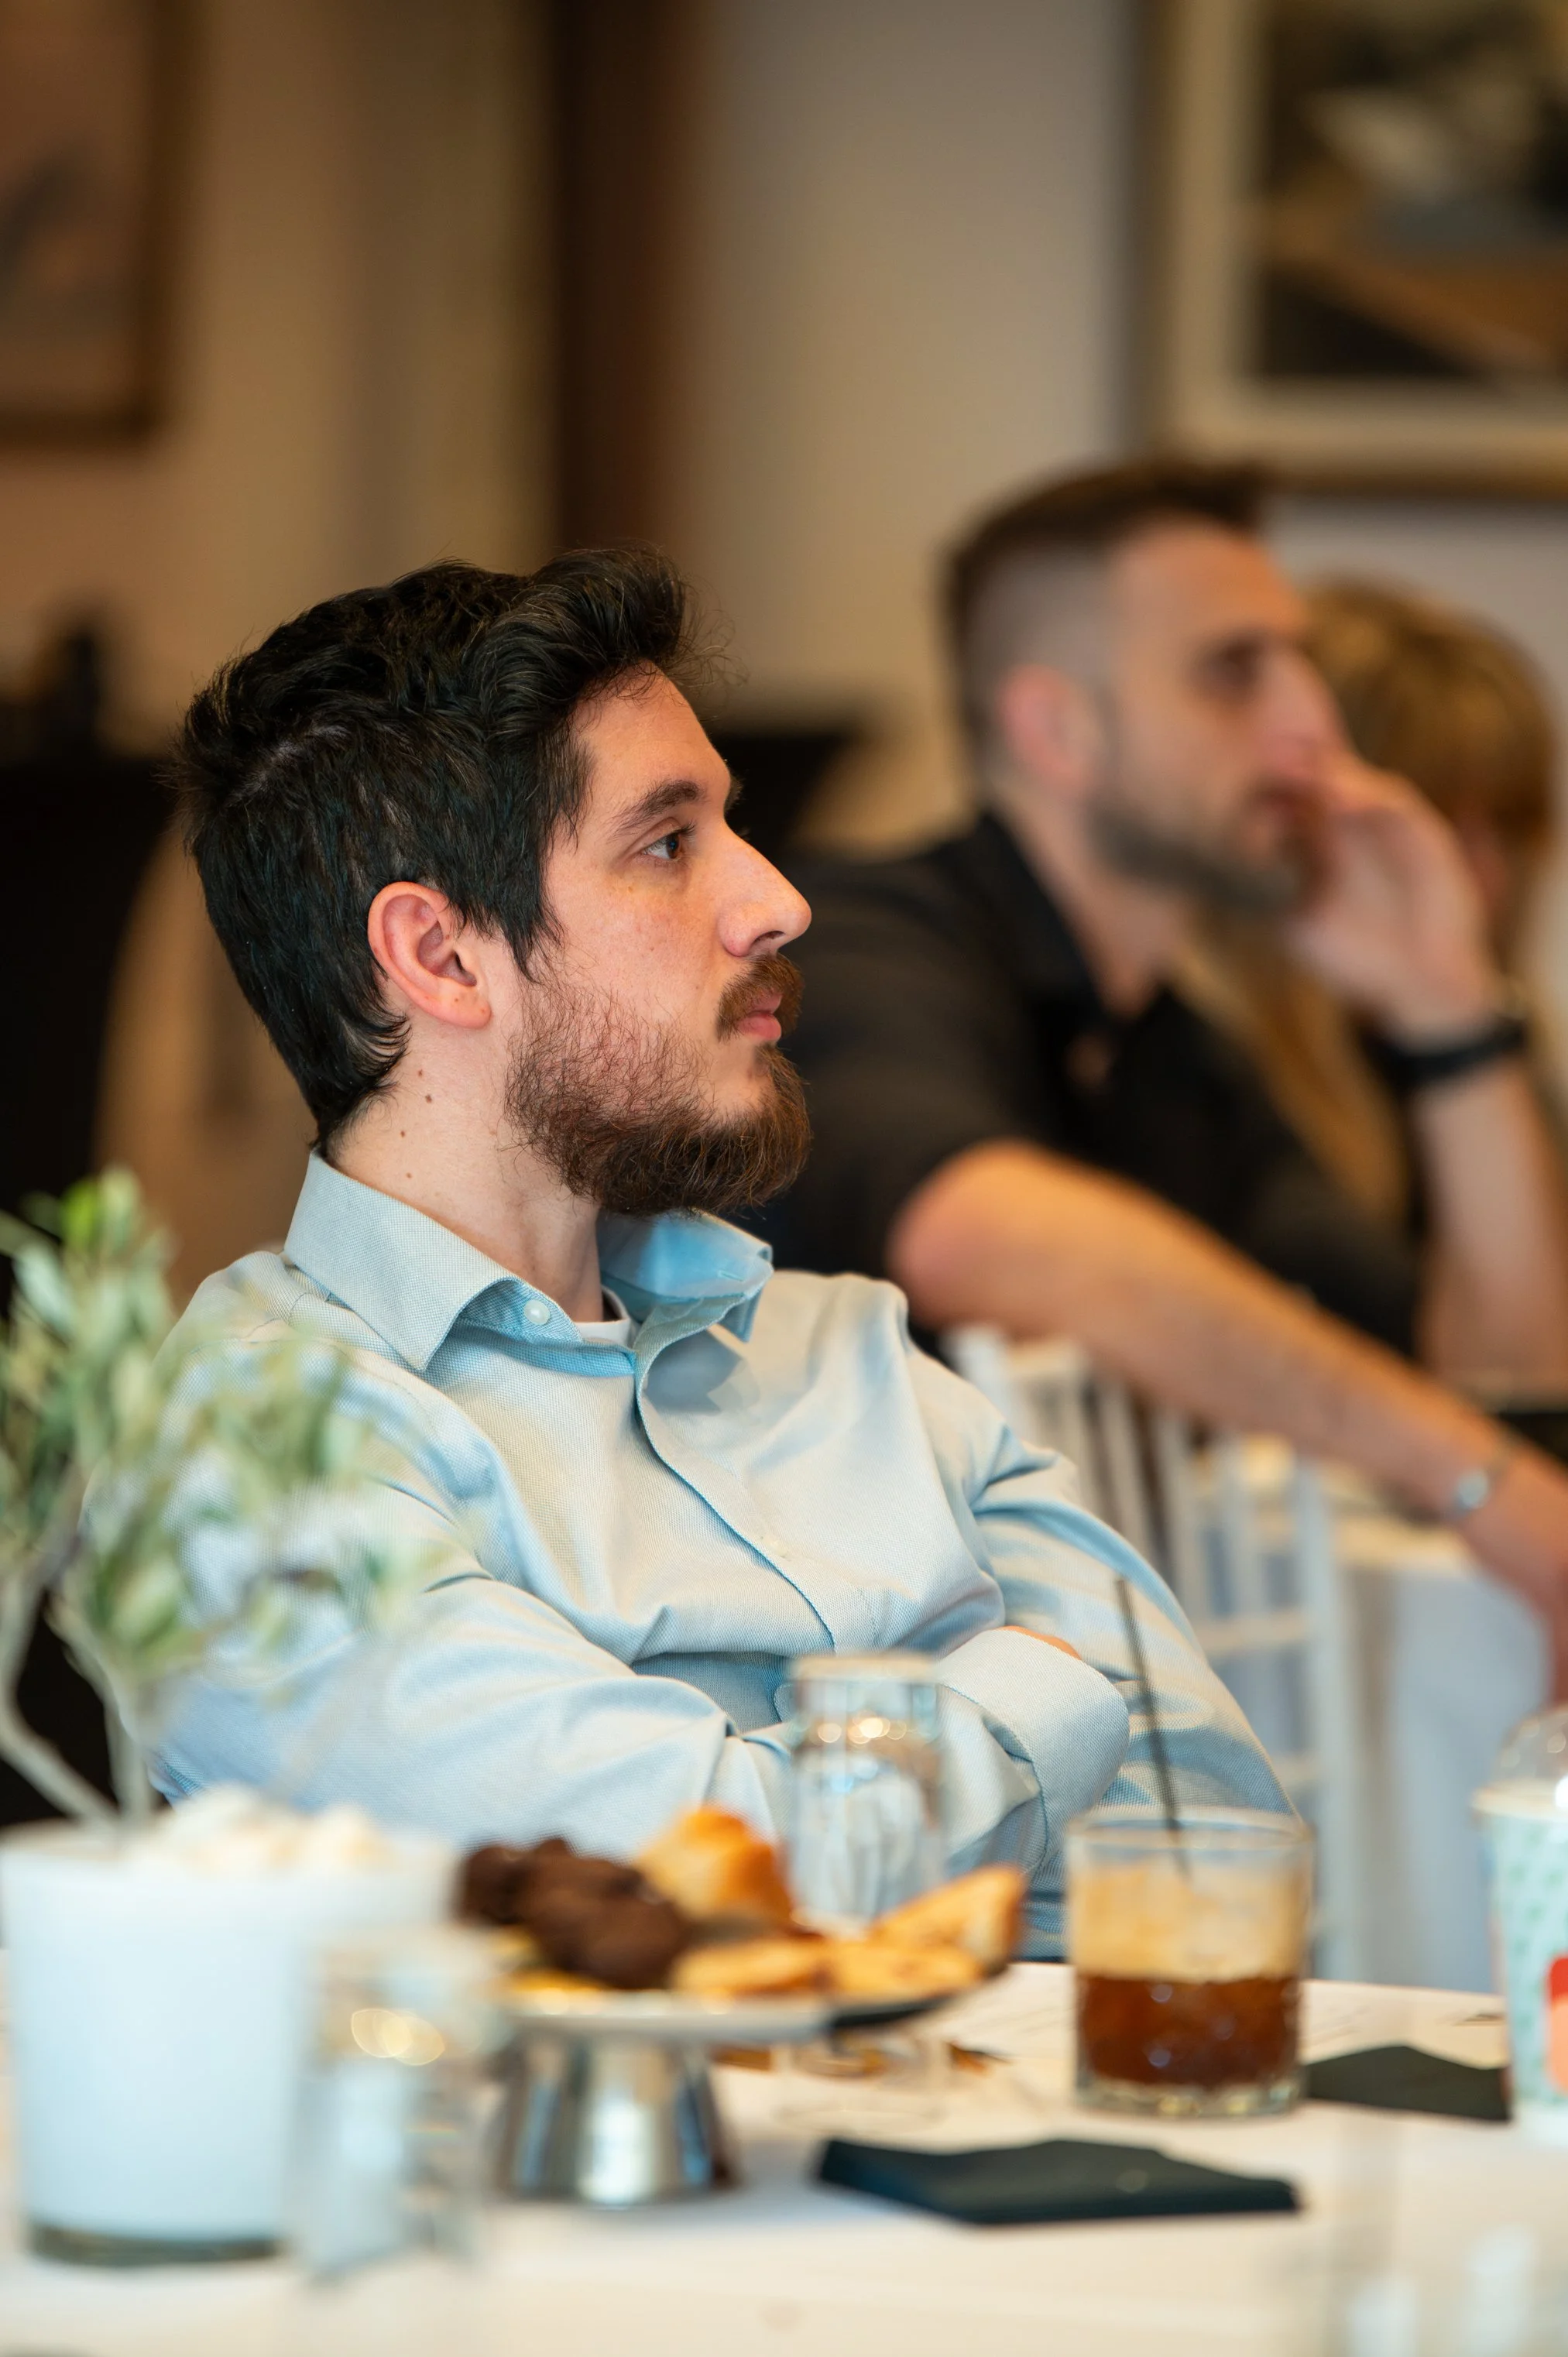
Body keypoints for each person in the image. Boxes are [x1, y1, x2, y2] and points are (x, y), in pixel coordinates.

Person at [145, 550, 1285, 1954]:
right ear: (440, 956)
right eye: (667, 844)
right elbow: (708, 1886)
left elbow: (1214, 1841)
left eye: (726, 827)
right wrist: (1042, 1691)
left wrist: (850, 1798)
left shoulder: (846, 1347)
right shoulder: (258, 1447)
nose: (777, 900)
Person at [762, 458, 1568, 1684]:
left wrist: (1446, 1011)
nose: (1311, 727)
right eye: (1236, 673)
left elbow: (1495, 1380)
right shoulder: (869, 936)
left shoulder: (1171, 1052)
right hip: (825, 1737)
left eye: (1300, 664)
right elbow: (977, 1232)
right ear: (1058, 730)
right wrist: (1476, 1480)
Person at [1184, 579, 1559, 1238]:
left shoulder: (1495, 1051)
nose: (1483, 875)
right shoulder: (1202, 1085)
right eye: (1434, 823)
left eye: (1504, 826)